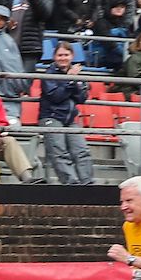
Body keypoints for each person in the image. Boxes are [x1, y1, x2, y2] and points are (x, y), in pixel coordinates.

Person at [36, 41, 94, 185]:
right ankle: (71, 185)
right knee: (59, 153)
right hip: (51, 117)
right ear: (54, 57)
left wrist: (72, 82)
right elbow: (56, 96)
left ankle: (88, 185)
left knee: (82, 151)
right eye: (60, 55)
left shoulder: (76, 75)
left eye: (66, 55)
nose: (63, 58)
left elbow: (82, 98)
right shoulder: (49, 75)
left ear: (72, 56)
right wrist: (70, 80)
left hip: (69, 119)